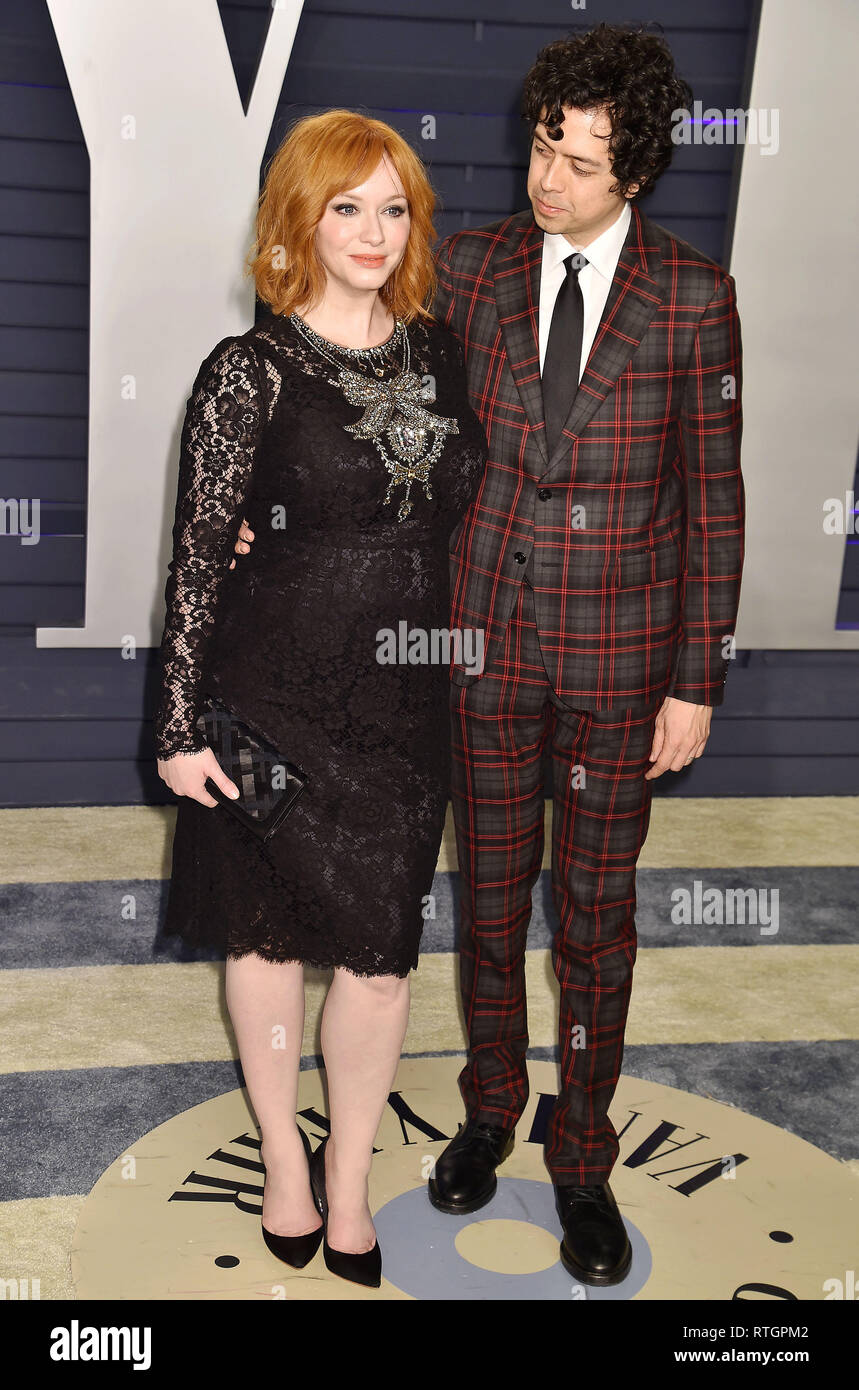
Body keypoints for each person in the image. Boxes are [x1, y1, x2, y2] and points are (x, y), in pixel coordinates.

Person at [153, 109, 486, 1289]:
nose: (373, 231)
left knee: (382, 953)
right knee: (267, 933)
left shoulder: (444, 353)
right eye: (346, 205)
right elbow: (198, 553)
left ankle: (348, 1174)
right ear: (300, 216)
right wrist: (180, 725)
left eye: (393, 207)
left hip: (403, 700)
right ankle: (285, 1164)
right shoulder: (248, 371)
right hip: (271, 692)